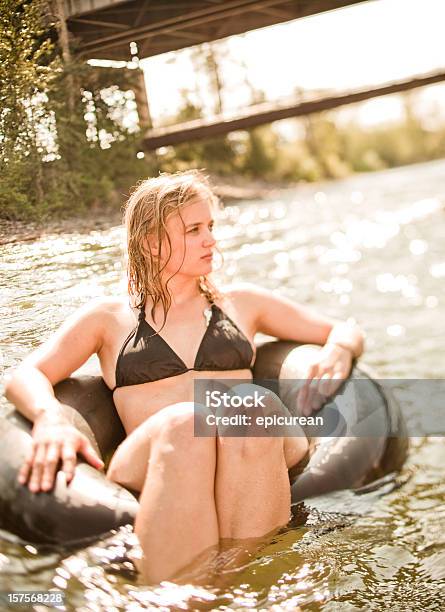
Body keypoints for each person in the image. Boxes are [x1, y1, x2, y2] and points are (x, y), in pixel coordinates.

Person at [4, 170, 364, 583]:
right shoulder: (107, 319)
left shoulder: (243, 304)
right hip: (159, 451)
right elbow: (27, 374)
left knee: (252, 406)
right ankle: (181, 598)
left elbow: (343, 328)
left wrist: (339, 347)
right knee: (184, 422)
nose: (210, 239)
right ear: (152, 242)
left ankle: (242, 586)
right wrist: (50, 417)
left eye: (210, 226)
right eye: (194, 230)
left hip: (251, 444)